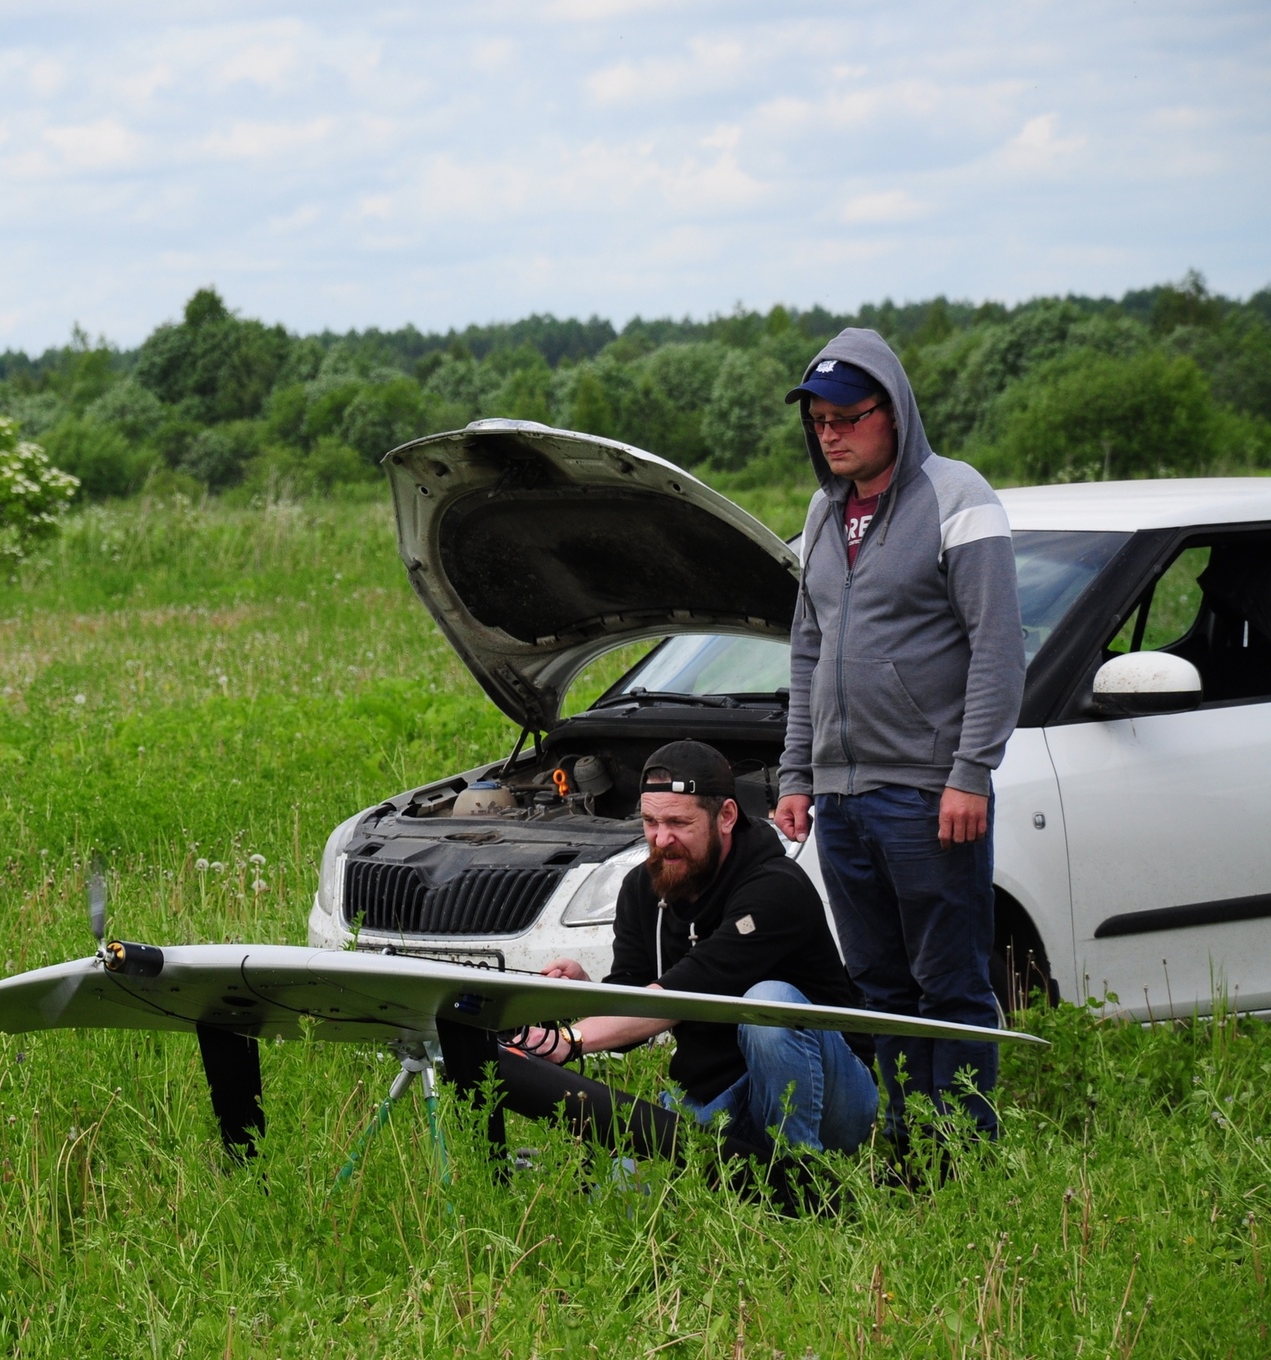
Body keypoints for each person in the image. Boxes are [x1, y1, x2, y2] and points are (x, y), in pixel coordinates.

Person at [770, 330, 1025, 1140]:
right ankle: (909, 1143)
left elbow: (997, 646)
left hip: (926, 791)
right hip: (841, 796)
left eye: (846, 415)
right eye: (818, 420)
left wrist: (971, 773)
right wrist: (796, 774)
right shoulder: (820, 513)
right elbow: (809, 647)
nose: (831, 433)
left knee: (949, 981)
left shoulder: (959, 497)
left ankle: (965, 1152)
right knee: (879, 984)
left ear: (893, 408)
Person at [438, 740, 880, 1176]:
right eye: (650, 821)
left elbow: (683, 993)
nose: (661, 839)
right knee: (619, 1190)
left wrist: (570, 1042)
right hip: (719, 1093)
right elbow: (636, 996)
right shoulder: (643, 887)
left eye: (678, 823)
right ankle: (745, 1168)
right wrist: (586, 994)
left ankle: (802, 1178)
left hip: (832, 1095)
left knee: (772, 1002)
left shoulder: (775, 888)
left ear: (726, 816)